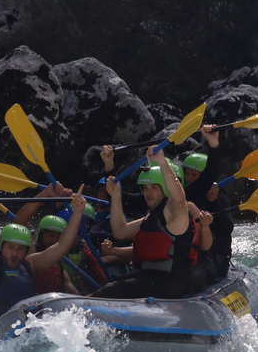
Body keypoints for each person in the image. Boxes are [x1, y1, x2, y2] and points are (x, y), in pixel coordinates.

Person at [0, 184, 86, 343]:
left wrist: (77, 212)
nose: (15, 253)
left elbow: (61, 247)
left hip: (18, 342)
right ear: (2, 246)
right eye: (11, 247)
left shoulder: (30, 266)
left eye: (21, 249)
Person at [91, 147, 199, 299]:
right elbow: (120, 231)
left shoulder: (175, 213)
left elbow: (179, 197)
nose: (148, 192)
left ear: (165, 189)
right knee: (112, 284)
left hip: (171, 282)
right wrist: (115, 196)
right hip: (149, 276)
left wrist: (162, 162)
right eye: (146, 188)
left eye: (154, 188)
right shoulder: (152, 216)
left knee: (110, 290)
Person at [182, 125, 234, 278]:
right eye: (188, 174)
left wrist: (213, 203)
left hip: (216, 257)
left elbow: (226, 229)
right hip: (194, 252)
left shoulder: (219, 196)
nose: (189, 178)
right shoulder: (187, 193)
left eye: (194, 175)